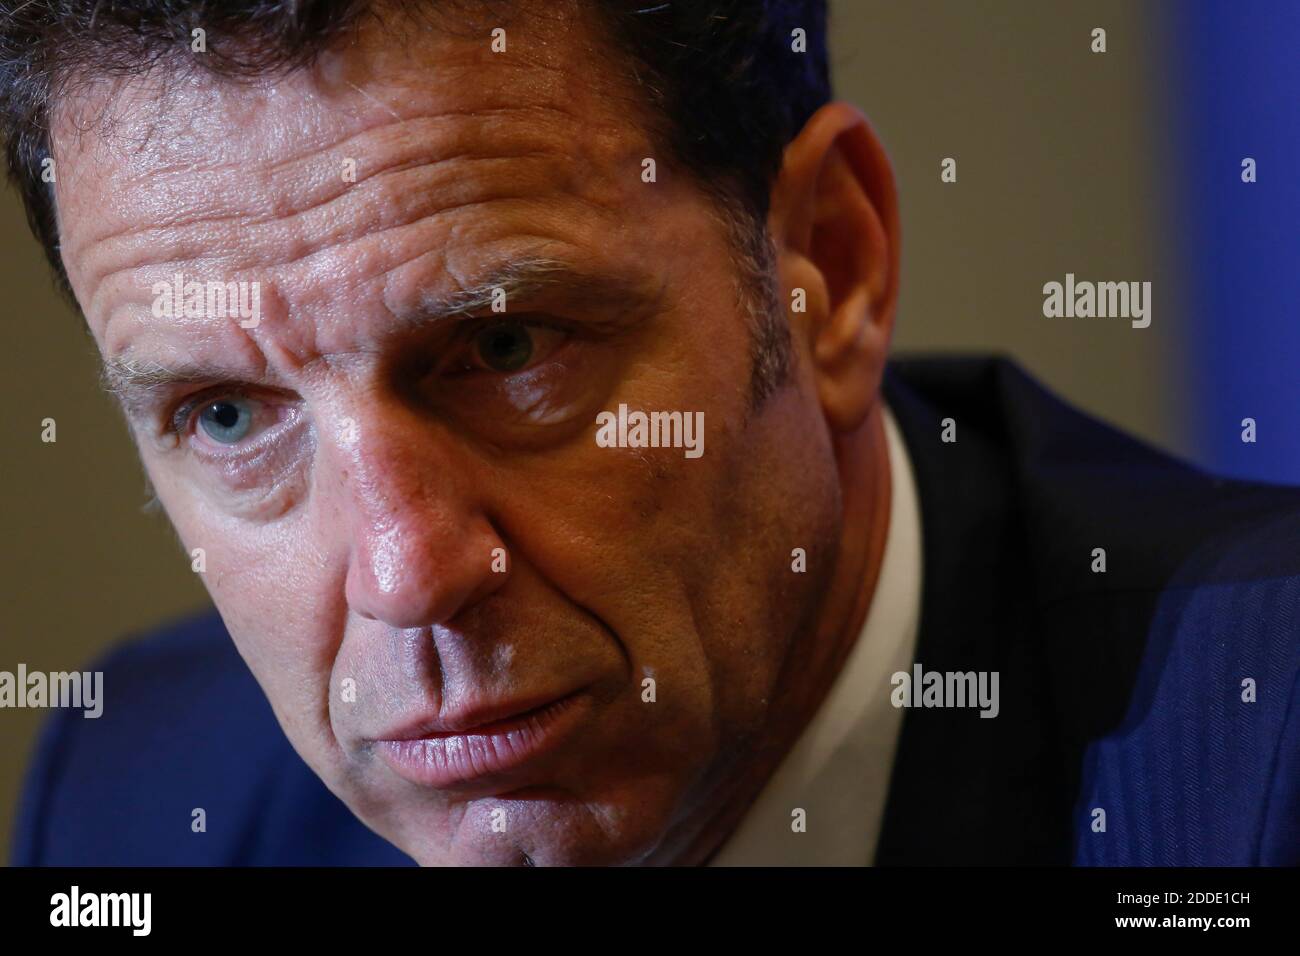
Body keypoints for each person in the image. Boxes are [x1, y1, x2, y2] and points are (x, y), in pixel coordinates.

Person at [6, 0, 1298, 866]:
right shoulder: (133, 808)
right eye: (226, 415)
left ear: (828, 272)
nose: (409, 577)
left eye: (507, 349)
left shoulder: (1258, 768)